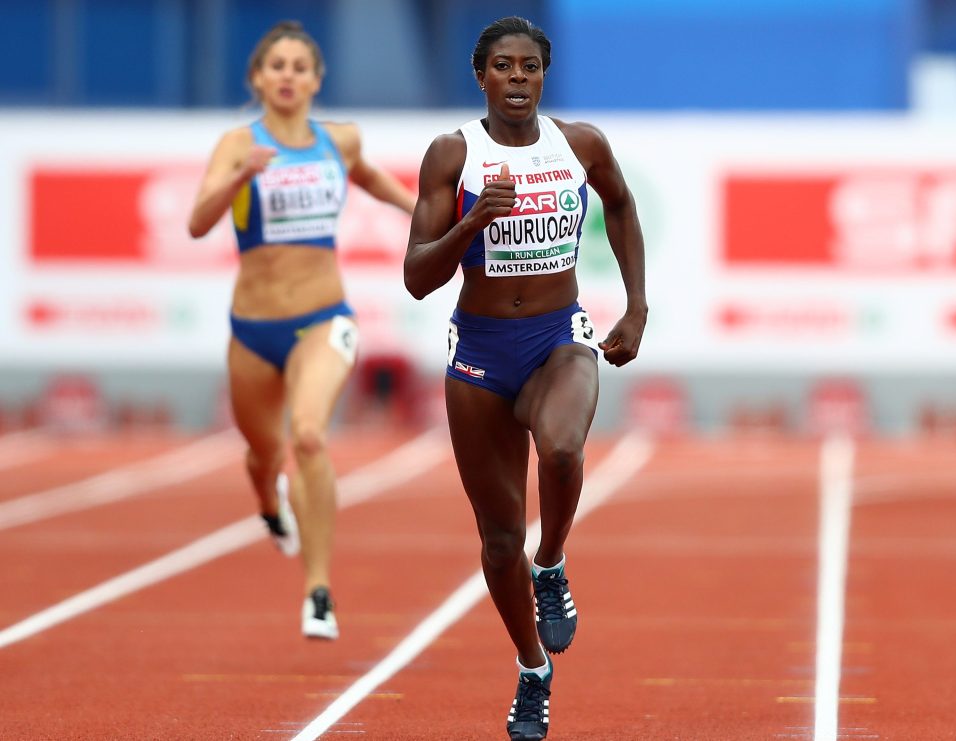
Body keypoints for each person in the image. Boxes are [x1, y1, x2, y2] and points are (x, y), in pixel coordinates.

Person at [404, 15, 647, 741]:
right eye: (503, 66)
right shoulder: (453, 154)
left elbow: (623, 206)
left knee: (564, 447)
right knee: (498, 538)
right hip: (479, 350)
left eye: (530, 66)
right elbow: (419, 277)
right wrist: (470, 221)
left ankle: (554, 561)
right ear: (480, 76)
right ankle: (533, 668)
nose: (517, 78)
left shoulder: (580, 145)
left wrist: (637, 306)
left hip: (556, 335)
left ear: (544, 75)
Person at [188, 20, 416, 640]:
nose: (287, 75)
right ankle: (268, 499)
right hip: (253, 329)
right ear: (257, 78)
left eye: (299, 66)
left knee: (309, 437)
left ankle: (318, 590)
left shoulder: (338, 139)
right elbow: (197, 223)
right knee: (264, 454)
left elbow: (366, 173)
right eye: (276, 66)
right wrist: (240, 177)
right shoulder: (238, 144)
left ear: (317, 79)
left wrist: (417, 209)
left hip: (324, 317)